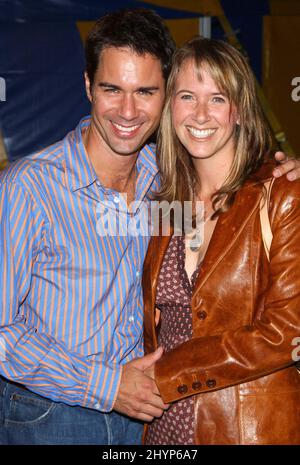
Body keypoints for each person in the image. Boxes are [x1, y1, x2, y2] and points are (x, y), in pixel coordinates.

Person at [0, 9, 298, 446]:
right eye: (111, 89)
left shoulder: (166, 179)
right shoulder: (29, 187)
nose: (127, 110)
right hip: (52, 416)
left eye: (145, 91)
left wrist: (283, 170)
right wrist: (107, 386)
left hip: (151, 418)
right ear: (87, 86)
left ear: (163, 97)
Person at [143, 36, 300, 445]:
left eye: (217, 99)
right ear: (169, 107)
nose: (199, 114)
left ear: (240, 111)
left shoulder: (282, 193)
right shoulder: (163, 202)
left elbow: (287, 331)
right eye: (187, 96)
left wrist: (168, 374)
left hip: (244, 425)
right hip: (162, 425)